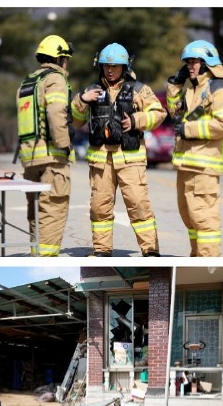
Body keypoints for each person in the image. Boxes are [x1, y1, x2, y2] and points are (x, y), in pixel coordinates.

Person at [71, 42, 166, 257]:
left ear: (125, 67)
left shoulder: (139, 90)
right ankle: (102, 250)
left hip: (130, 160)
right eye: (106, 66)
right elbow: (75, 121)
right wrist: (82, 101)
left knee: (139, 204)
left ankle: (150, 250)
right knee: (99, 206)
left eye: (115, 66)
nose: (110, 70)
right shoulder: (91, 91)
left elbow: (159, 113)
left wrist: (136, 120)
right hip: (101, 161)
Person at [166, 39, 223, 257]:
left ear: (207, 63)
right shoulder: (192, 90)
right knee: (189, 218)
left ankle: (208, 261)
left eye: (194, 62)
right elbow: (174, 113)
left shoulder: (219, 89)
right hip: (186, 164)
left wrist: (190, 129)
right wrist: (175, 85)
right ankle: (196, 257)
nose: (190, 66)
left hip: (204, 167)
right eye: (187, 62)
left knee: (204, 220)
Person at [16, 34, 76, 257]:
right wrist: (64, 145)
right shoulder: (55, 79)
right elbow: (56, 112)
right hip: (52, 158)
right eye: (66, 59)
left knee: (35, 210)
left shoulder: (28, 82)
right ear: (60, 59)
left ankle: (36, 254)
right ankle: (46, 258)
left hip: (30, 158)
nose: (66, 64)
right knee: (52, 209)